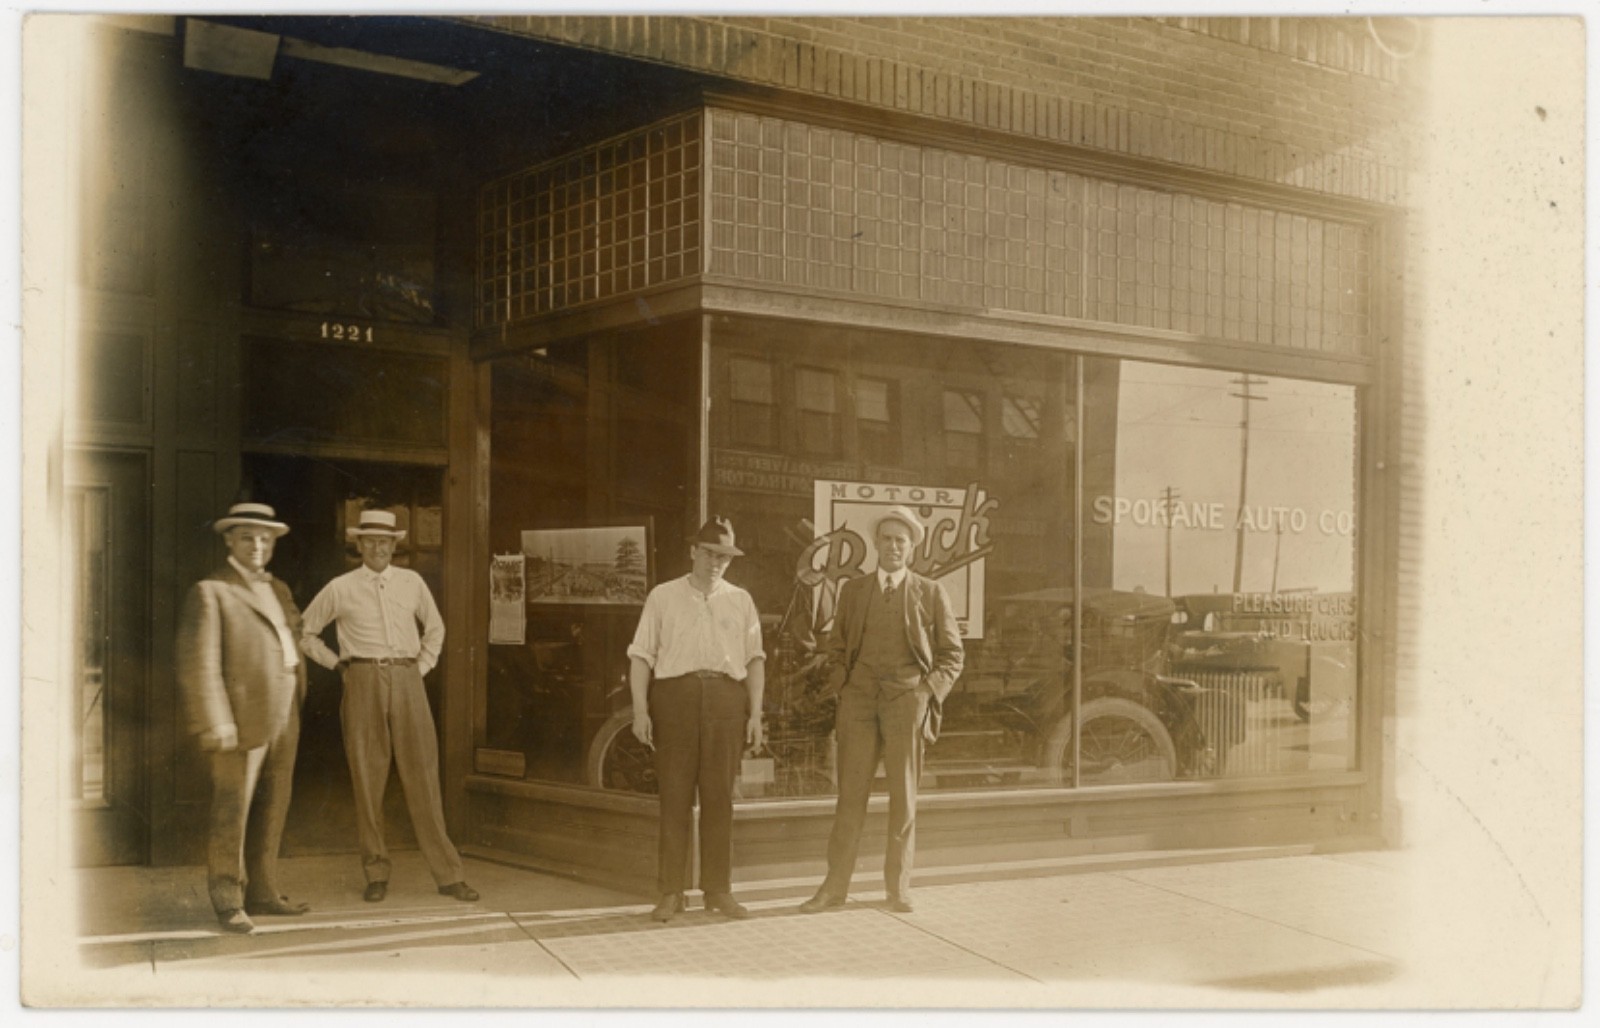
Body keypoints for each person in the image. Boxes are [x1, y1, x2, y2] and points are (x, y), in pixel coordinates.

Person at [299, 509, 478, 904]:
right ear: (358, 544)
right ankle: (375, 872)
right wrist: (336, 663)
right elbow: (305, 632)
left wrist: (422, 668)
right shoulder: (340, 587)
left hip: (407, 677)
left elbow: (436, 628)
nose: (378, 547)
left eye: (385, 542)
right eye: (370, 540)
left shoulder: (412, 583)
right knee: (367, 779)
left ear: (394, 546)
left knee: (424, 778)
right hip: (362, 679)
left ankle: (449, 875)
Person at [800, 504, 965, 914]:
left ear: (911, 548)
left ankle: (898, 889)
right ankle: (834, 889)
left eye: (901, 541)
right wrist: (843, 684)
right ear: (875, 544)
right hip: (857, 703)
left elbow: (952, 654)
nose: (893, 546)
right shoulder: (854, 591)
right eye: (887, 539)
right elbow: (835, 646)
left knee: (903, 797)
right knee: (849, 797)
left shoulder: (930, 591)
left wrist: (926, 692)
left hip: (906, 703)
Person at [176, 502, 311, 934]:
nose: (257, 545)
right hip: (240, 717)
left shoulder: (281, 589)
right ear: (230, 540)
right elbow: (198, 663)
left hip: (285, 707)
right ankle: (228, 899)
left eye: (265, 538)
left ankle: (264, 892)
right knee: (233, 808)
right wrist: (217, 721)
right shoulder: (211, 591)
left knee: (275, 804)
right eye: (248, 537)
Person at [627, 516, 766, 922]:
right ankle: (671, 891)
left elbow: (754, 659)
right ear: (693, 552)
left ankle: (718, 890)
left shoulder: (741, 600)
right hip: (675, 698)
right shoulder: (663, 596)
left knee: (720, 797)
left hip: (726, 700)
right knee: (674, 795)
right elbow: (641, 656)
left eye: (723, 556)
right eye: (708, 553)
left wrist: (755, 712)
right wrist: (640, 709)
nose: (715, 562)